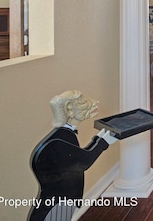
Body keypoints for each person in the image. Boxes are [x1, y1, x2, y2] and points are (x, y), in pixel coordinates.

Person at [28, 90, 117, 221]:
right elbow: (83, 162)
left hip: (62, 198)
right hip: (57, 203)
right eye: (82, 101)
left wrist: (99, 139)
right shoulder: (58, 142)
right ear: (69, 109)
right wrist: (104, 142)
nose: (93, 103)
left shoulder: (63, 136)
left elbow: (77, 156)